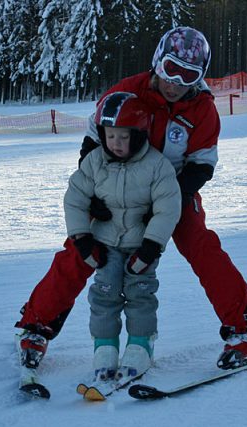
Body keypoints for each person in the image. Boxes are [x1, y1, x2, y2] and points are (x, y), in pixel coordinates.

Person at [16, 26, 247, 372]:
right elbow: (93, 143)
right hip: (117, 185)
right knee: (81, 248)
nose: (176, 83)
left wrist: (167, 202)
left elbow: (202, 164)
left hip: (172, 189)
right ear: (157, 63)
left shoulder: (201, 110)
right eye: (171, 70)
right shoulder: (127, 91)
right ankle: (36, 325)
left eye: (188, 76)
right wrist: (95, 190)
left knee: (201, 245)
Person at [63, 92, 181, 380]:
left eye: (123, 137)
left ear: (139, 135)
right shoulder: (94, 162)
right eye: (110, 136)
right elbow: (75, 198)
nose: (116, 144)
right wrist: (82, 238)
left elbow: (168, 207)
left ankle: (141, 345)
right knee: (104, 294)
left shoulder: (156, 166)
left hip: (141, 246)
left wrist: (152, 246)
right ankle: (105, 346)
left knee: (140, 293)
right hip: (105, 244)